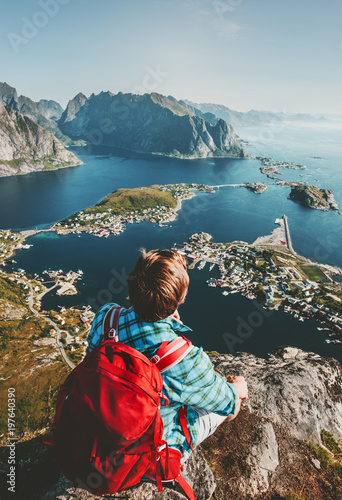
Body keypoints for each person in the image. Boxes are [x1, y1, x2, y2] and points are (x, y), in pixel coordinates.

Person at [87, 248, 248, 462]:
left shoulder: (106, 317)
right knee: (229, 409)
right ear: (180, 298)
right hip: (143, 453)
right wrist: (237, 389)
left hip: (97, 428)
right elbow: (225, 402)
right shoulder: (182, 358)